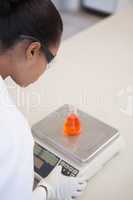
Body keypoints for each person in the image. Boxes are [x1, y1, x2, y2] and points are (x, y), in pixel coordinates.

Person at [0, 0, 88, 200]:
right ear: (32, 50)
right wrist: (47, 190)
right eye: (49, 60)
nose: (46, 69)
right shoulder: (11, 132)